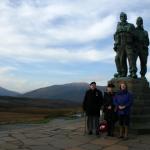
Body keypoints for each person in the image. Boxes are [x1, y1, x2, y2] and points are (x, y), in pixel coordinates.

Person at [114, 12, 137, 78]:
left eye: (124, 16)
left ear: (126, 17)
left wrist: (134, 45)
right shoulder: (118, 26)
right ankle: (122, 73)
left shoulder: (131, 25)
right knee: (119, 59)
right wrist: (115, 44)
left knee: (131, 58)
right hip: (120, 44)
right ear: (120, 18)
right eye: (121, 16)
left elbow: (135, 36)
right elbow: (116, 35)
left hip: (128, 44)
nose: (123, 17)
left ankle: (133, 72)